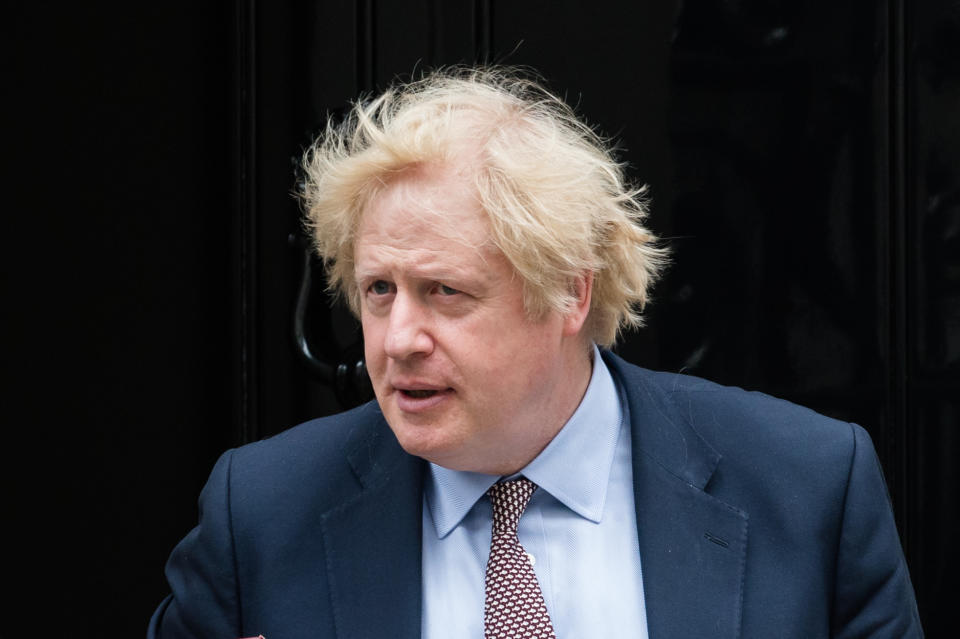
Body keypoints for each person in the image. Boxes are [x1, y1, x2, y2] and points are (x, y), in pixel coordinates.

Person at [148, 66, 922, 638]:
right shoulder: (260, 513)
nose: (398, 339)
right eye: (379, 290)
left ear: (569, 294)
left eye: (445, 291)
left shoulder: (808, 486)